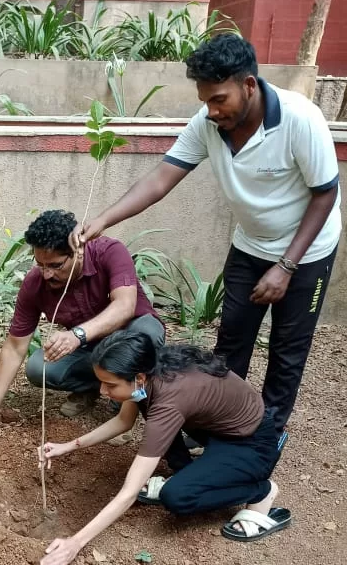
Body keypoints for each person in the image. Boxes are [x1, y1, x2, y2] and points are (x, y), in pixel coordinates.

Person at [74, 34, 341, 436]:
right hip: (250, 246)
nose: (211, 110)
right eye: (205, 101)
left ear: (248, 85)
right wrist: (103, 220)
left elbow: (326, 193)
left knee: (288, 351)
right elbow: (162, 179)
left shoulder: (300, 119)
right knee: (231, 342)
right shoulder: (208, 124)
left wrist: (286, 266)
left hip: (307, 253)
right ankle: (220, 425)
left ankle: (267, 435)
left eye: (218, 99)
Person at [38, 330, 290, 565]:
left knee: (177, 496)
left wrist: (76, 543)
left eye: (110, 384)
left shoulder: (169, 400)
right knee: (150, 409)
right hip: (215, 429)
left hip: (252, 441)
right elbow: (122, 422)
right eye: (101, 382)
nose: (103, 391)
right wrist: (67, 447)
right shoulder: (148, 373)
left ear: (138, 377)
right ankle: (190, 471)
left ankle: (261, 491)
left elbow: (129, 493)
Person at [0, 208, 165, 435]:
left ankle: (133, 402)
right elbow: (14, 347)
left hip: (132, 338)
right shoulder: (35, 284)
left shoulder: (110, 252)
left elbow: (125, 306)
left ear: (78, 251)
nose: (46, 274)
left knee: (147, 333)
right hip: (90, 350)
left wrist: (77, 335)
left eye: (55, 265)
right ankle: (97, 387)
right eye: (40, 264)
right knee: (39, 367)